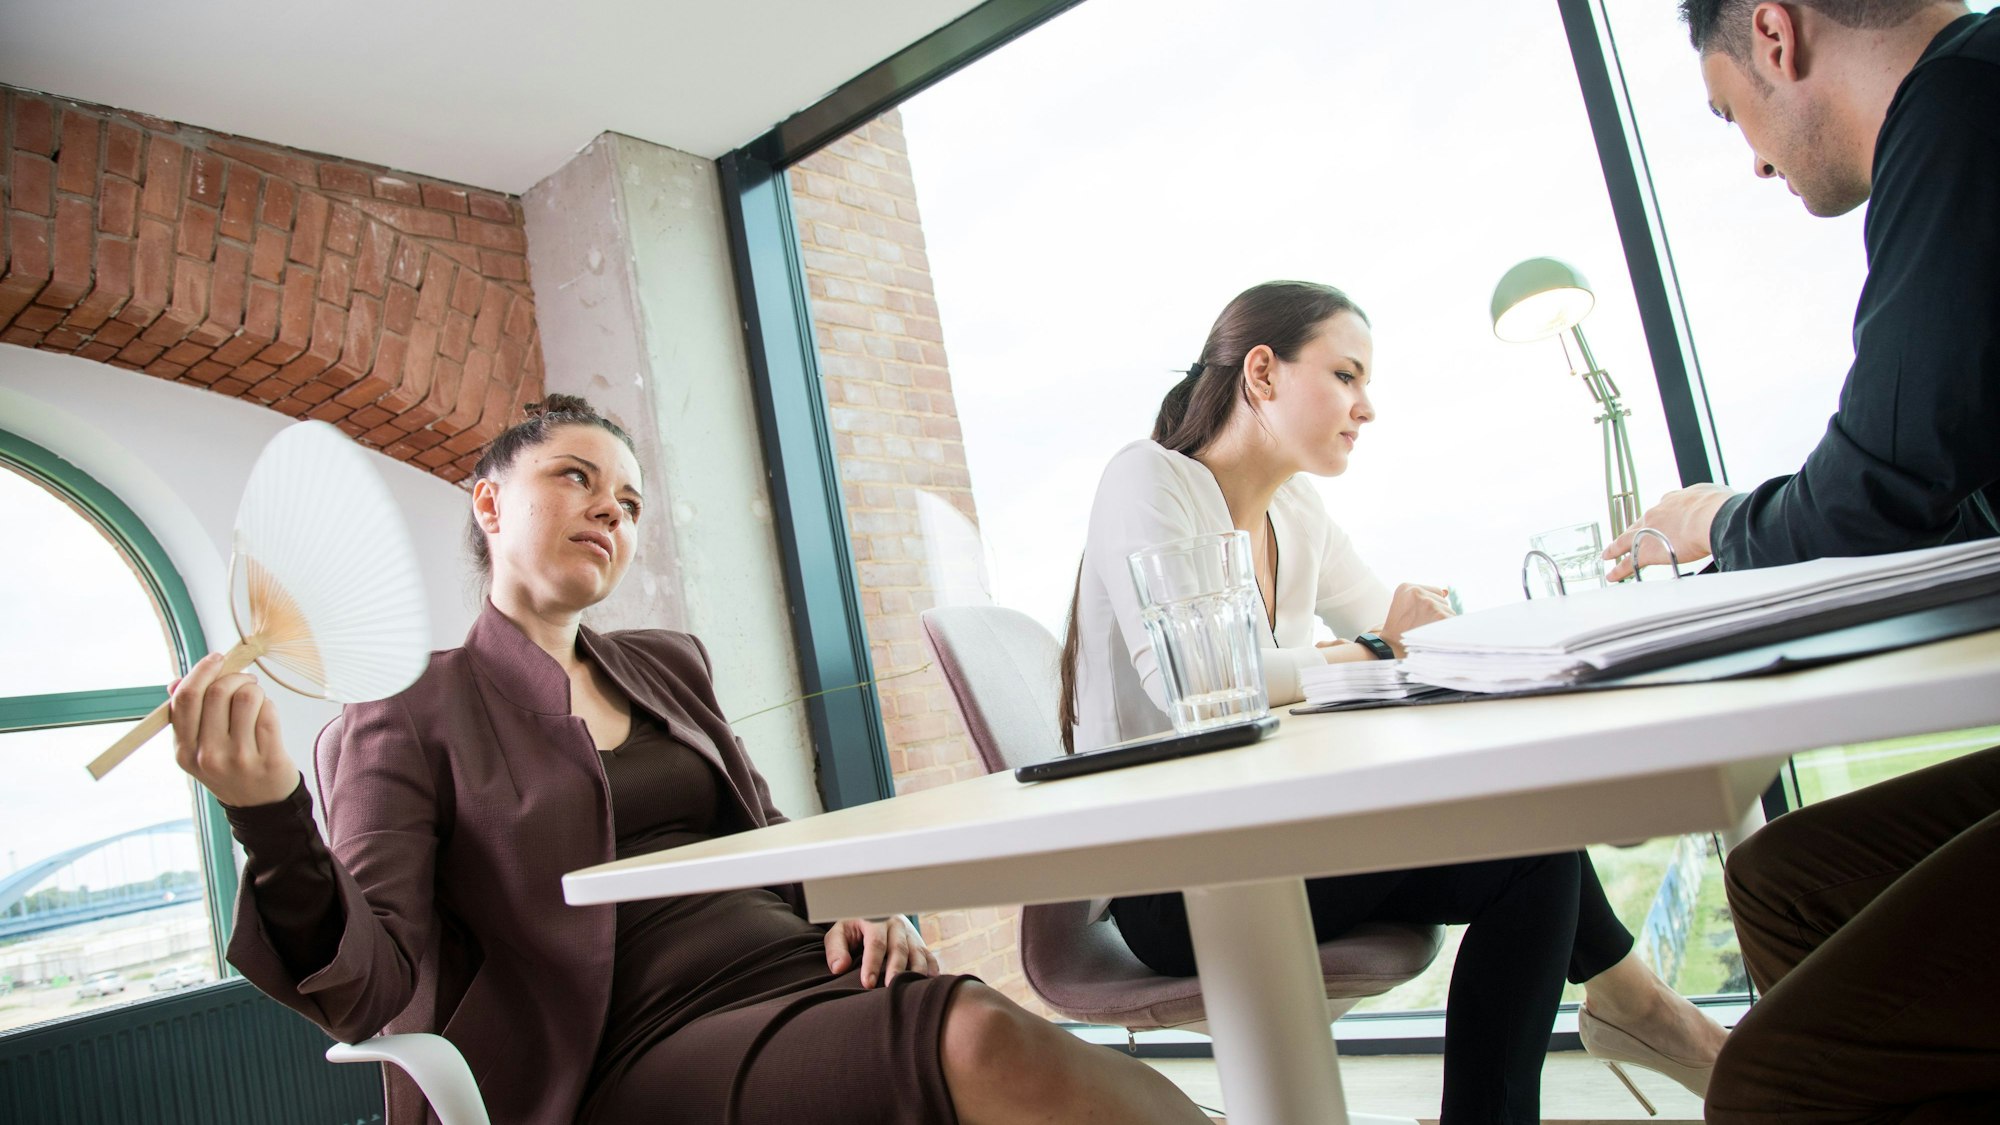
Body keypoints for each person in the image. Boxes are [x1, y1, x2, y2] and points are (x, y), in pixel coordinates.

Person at [170, 395, 1208, 1125]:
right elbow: (368, 984)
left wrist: (862, 909)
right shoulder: (407, 709)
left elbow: (774, 843)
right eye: (574, 478)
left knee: (982, 1052)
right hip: (627, 1043)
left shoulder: (667, 666)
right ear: (487, 504)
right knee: (977, 1039)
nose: (609, 512)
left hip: (799, 971)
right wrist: (269, 816)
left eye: (626, 503)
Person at [1062, 281, 1728, 1123]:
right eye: (1345, 375)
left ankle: (1615, 1024)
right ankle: (1641, 1010)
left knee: (1538, 849)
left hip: (1275, 835)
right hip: (1175, 876)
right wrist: (1379, 646)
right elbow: (1203, 686)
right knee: (1531, 849)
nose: (1366, 406)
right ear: (1261, 374)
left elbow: (1409, 633)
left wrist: (1478, 641)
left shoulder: (1297, 510)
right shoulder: (1148, 480)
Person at [1601, 2, 2000, 1120]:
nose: (1754, 162)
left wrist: (1716, 524)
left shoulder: (1961, 110)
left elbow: (1877, 485)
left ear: (1774, 36)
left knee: (1771, 1080)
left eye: (1731, 113)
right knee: (1781, 879)